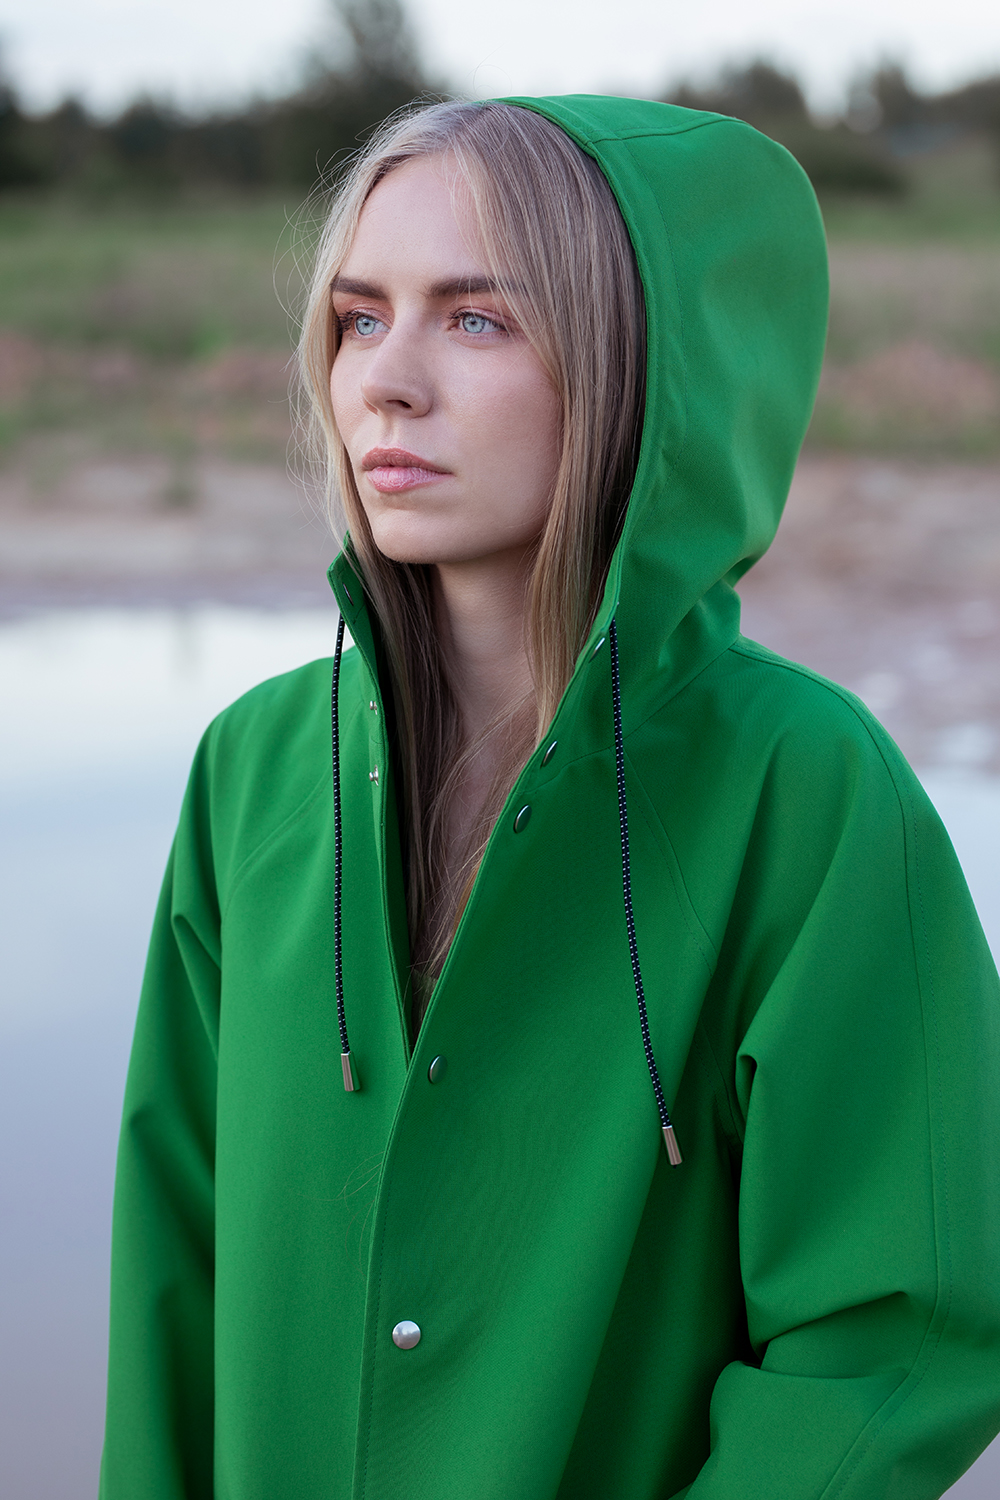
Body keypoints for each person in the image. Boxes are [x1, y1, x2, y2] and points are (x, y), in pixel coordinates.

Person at [99, 96, 1000, 1499]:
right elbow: (173, 1272)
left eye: (476, 319)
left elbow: (899, 1337)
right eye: (357, 317)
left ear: (643, 367)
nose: (385, 382)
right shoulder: (254, 772)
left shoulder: (809, 793)